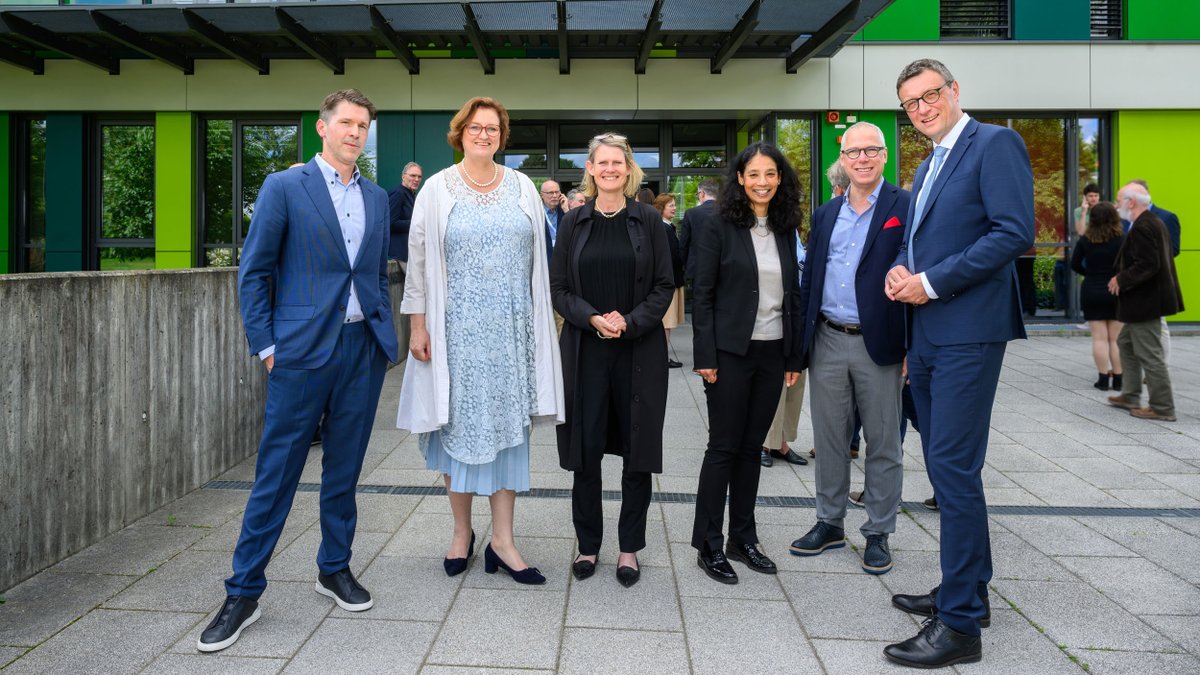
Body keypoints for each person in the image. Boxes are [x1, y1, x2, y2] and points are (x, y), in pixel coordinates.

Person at [199, 89, 400, 653]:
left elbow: (376, 273)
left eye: (363, 125)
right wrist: (266, 346)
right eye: (346, 123)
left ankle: (333, 567)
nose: (355, 132)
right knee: (276, 474)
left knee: (344, 471)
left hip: (361, 350)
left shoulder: (378, 198)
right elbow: (255, 271)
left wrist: (383, 332)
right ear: (322, 127)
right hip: (299, 354)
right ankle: (243, 592)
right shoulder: (285, 186)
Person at [883, 59, 1034, 668]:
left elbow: (1013, 233)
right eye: (911, 103)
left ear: (953, 91)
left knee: (952, 469)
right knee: (946, 466)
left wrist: (932, 282)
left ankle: (962, 627)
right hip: (927, 331)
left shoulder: (994, 143)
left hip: (967, 331)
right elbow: (919, 239)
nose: (921, 109)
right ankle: (963, 590)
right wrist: (901, 267)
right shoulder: (927, 164)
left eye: (929, 96)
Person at [396, 96, 564, 585]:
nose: (484, 134)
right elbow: (419, 261)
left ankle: (504, 541)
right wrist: (418, 325)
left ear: (502, 136)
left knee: (509, 435)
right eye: (475, 127)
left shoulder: (523, 186)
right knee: (456, 433)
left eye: (493, 128)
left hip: (511, 336)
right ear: (460, 133)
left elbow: (540, 262)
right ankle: (461, 533)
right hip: (456, 337)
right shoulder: (435, 188)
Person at [550, 133, 673, 588]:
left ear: (628, 168)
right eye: (601, 162)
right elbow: (558, 287)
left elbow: (665, 285)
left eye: (617, 162)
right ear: (590, 167)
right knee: (586, 452)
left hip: (639, 351)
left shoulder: (649, 221)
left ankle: (628, 549)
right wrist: (594, 319)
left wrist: (630, 322)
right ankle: (587, 545)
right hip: (585, 351)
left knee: (637, 454)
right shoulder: (573, 222)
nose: (609, 169)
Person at [789, 122, 911, 576]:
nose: (861, 158)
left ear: (883, 156)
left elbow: (915, 268)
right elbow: (810, 280)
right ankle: (830, 523)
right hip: (827, 339)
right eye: (853, 151)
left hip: (878, 343)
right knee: (829, 439)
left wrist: (910, 349)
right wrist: (799, 349)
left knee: (882, 443)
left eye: (870, 151)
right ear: (843, 158)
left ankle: (878, 532)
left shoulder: (906, 206)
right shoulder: (825, 214)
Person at [691, 143, 803, 585]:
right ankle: (708, 544)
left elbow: (793, 294)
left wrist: (794, 355)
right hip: (729, 354)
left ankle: (743, 537)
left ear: (780, 179)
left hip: (773, 353)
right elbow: (703, 293)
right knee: (723, 448)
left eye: (770, 174)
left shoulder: (784, 224)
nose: (762, 182)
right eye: (754, 174)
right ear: (740, 178)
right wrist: (706, 356)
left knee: (751, 450)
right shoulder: (718, 225)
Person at [1106, 183, 1183, 422]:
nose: (1116, 205)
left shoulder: (1144, 225)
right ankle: (1130, 394)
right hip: (1144, 301)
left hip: (1146, 302)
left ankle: (1162, 407)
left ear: (1131, 202)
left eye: (1119, 200)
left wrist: (1121, 278)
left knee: (1150, 355)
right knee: (1125, 342)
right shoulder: (1149, 222)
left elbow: (1148, 264)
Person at [761, 222, 808, 469]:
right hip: (776, 317)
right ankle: (765, 442)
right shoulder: (766, 229)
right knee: (778, 383)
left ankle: (782, 441)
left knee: (797, 382)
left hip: (801, 311)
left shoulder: (793, 231)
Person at [1070, 202, 1124, 391]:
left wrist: (1090, 273)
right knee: (1115, 339)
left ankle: (1102, 379)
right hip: (1116, 290)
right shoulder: (1121, 239)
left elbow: (1074, 264)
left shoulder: (1085, 240)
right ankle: (1118, 379)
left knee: (1099, 339)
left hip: (1092, 290)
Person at [653, 193, 686, 369]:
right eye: (671, 205)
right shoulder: (664, 229)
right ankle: (662, 358)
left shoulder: (667, 227)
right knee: (667, 322)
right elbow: (672, 256)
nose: (674, 208)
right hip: (670, 282)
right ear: (661, 208)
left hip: (672, 280)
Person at [678, 179, 718, 285]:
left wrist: (685, 266)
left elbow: (683, 245)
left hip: (697, 270)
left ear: (702, 194)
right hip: (723, 269)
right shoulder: (728, 213)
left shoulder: (691, 214)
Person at [387, 161, 422, 268]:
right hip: (400, 254)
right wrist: (417, 224)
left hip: (409, 253)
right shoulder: (398, 193)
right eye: (413, 175)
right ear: (403, 177)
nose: (416, 179)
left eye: (419, 176)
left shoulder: (410, 194)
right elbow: (391, 223)